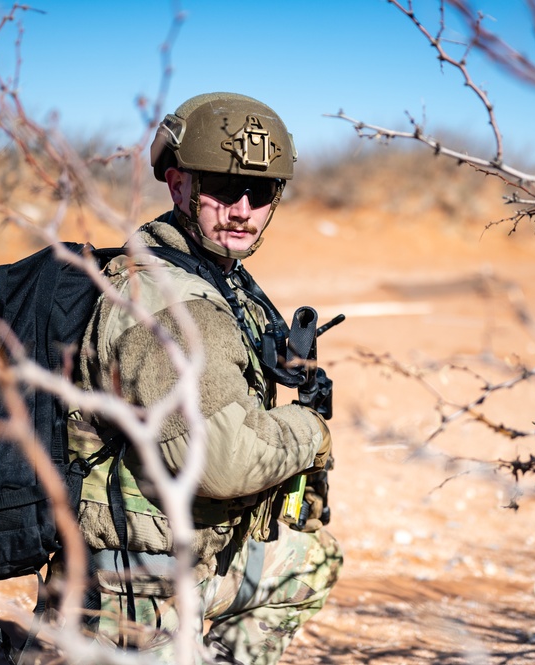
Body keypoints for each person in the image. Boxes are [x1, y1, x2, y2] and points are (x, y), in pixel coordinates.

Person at [67, 92, 341, 664]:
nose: (243, 209)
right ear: (178, 185)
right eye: (221, 187)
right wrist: (311, 428)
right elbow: (227, 462)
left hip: (201, 557)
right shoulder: (168, 302)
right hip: (137, 594)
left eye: (261, 192)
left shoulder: (220, 281)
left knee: (310, 560)